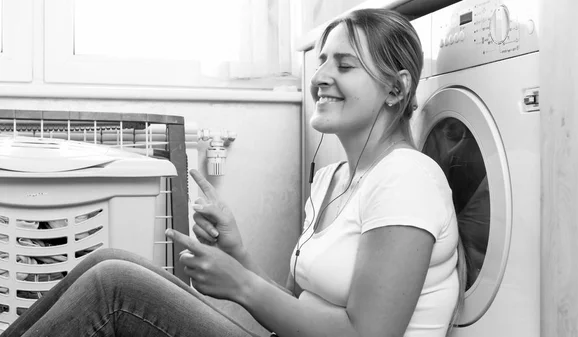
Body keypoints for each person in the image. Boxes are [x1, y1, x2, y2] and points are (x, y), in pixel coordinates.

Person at [1, 8, 466, 337]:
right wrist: (238, 252)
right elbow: (291, 309)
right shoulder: (332, 180)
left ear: (396, 89)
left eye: (343, 65)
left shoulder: (407, 179)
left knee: (113, 287)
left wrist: (239, 284)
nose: (321, 75)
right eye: (322, 60)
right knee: (106, 262)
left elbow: (368, 334)